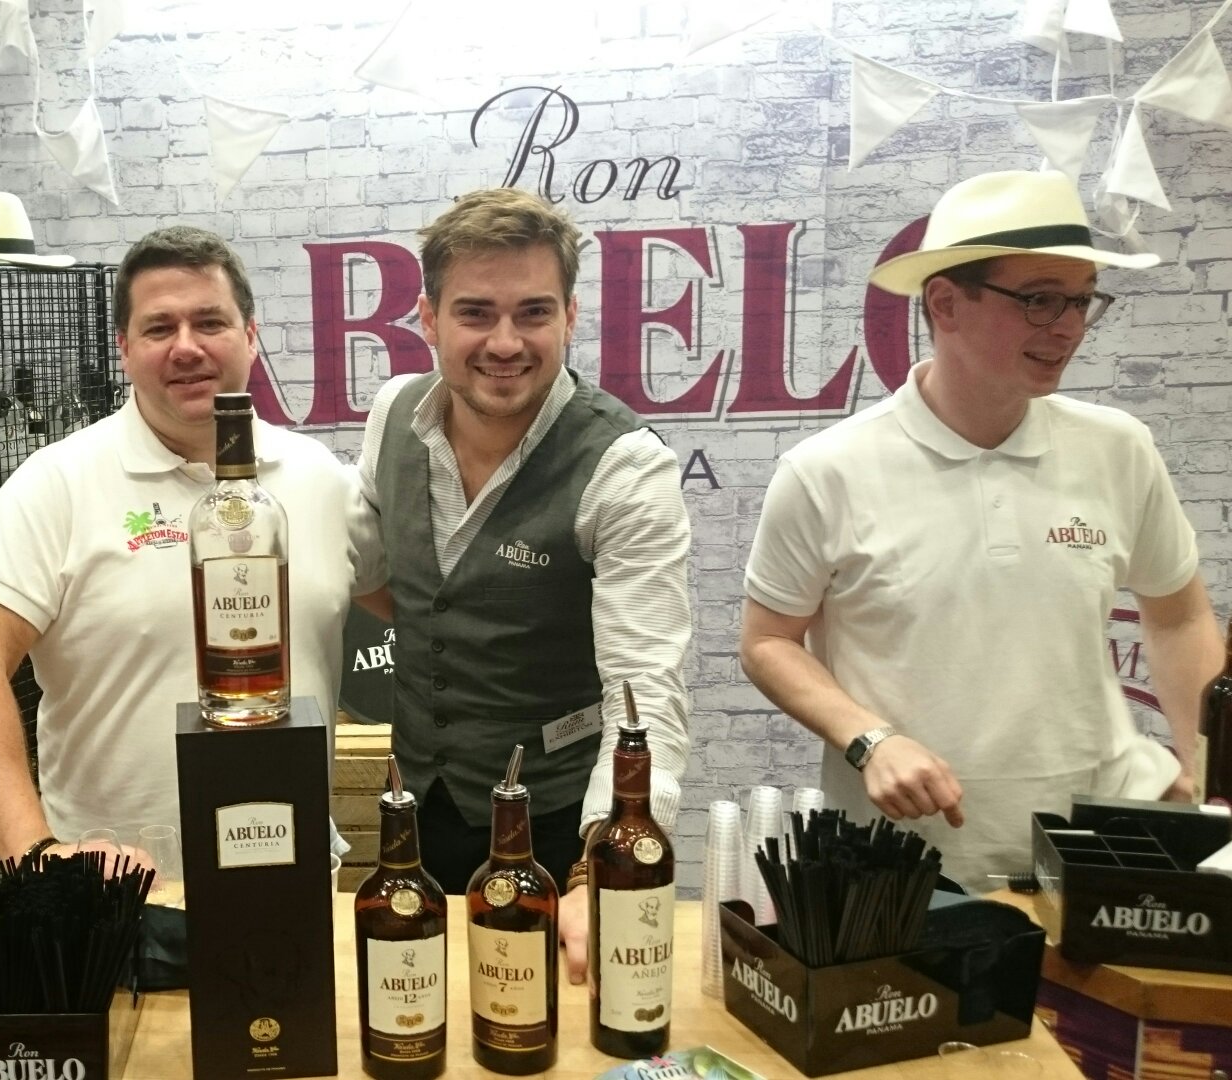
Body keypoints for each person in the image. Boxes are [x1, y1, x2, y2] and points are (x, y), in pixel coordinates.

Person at [740, 170, 1222, 891]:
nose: (1068, 326)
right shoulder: (827, 470)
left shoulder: (1118, 448)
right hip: (905, 867)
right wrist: (871, 741)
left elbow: (1179, 614)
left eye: (1082, 300)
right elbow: (768, 642)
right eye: (1039, 299)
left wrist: (1207, 775)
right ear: (945, 303)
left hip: (1096, 846)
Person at [0, 225, 384, 868]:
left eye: (210, 322)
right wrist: (37, 858)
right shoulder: (57, 483)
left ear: (251, 335)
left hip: (291, 869)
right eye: (159, 328)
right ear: (124, 348)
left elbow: (423, 614)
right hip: (118, 893)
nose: (187, 347)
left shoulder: (320, 479)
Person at [354, 187, 694, 983]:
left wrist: (603, 865)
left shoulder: (624, 466)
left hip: (556, 824)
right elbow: (373, 575)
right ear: (428, 319)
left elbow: (646, 689)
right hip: (420, 809)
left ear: (570, 318)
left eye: (533, 313)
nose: (504, 342)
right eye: (475, 313)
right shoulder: (394, 413)